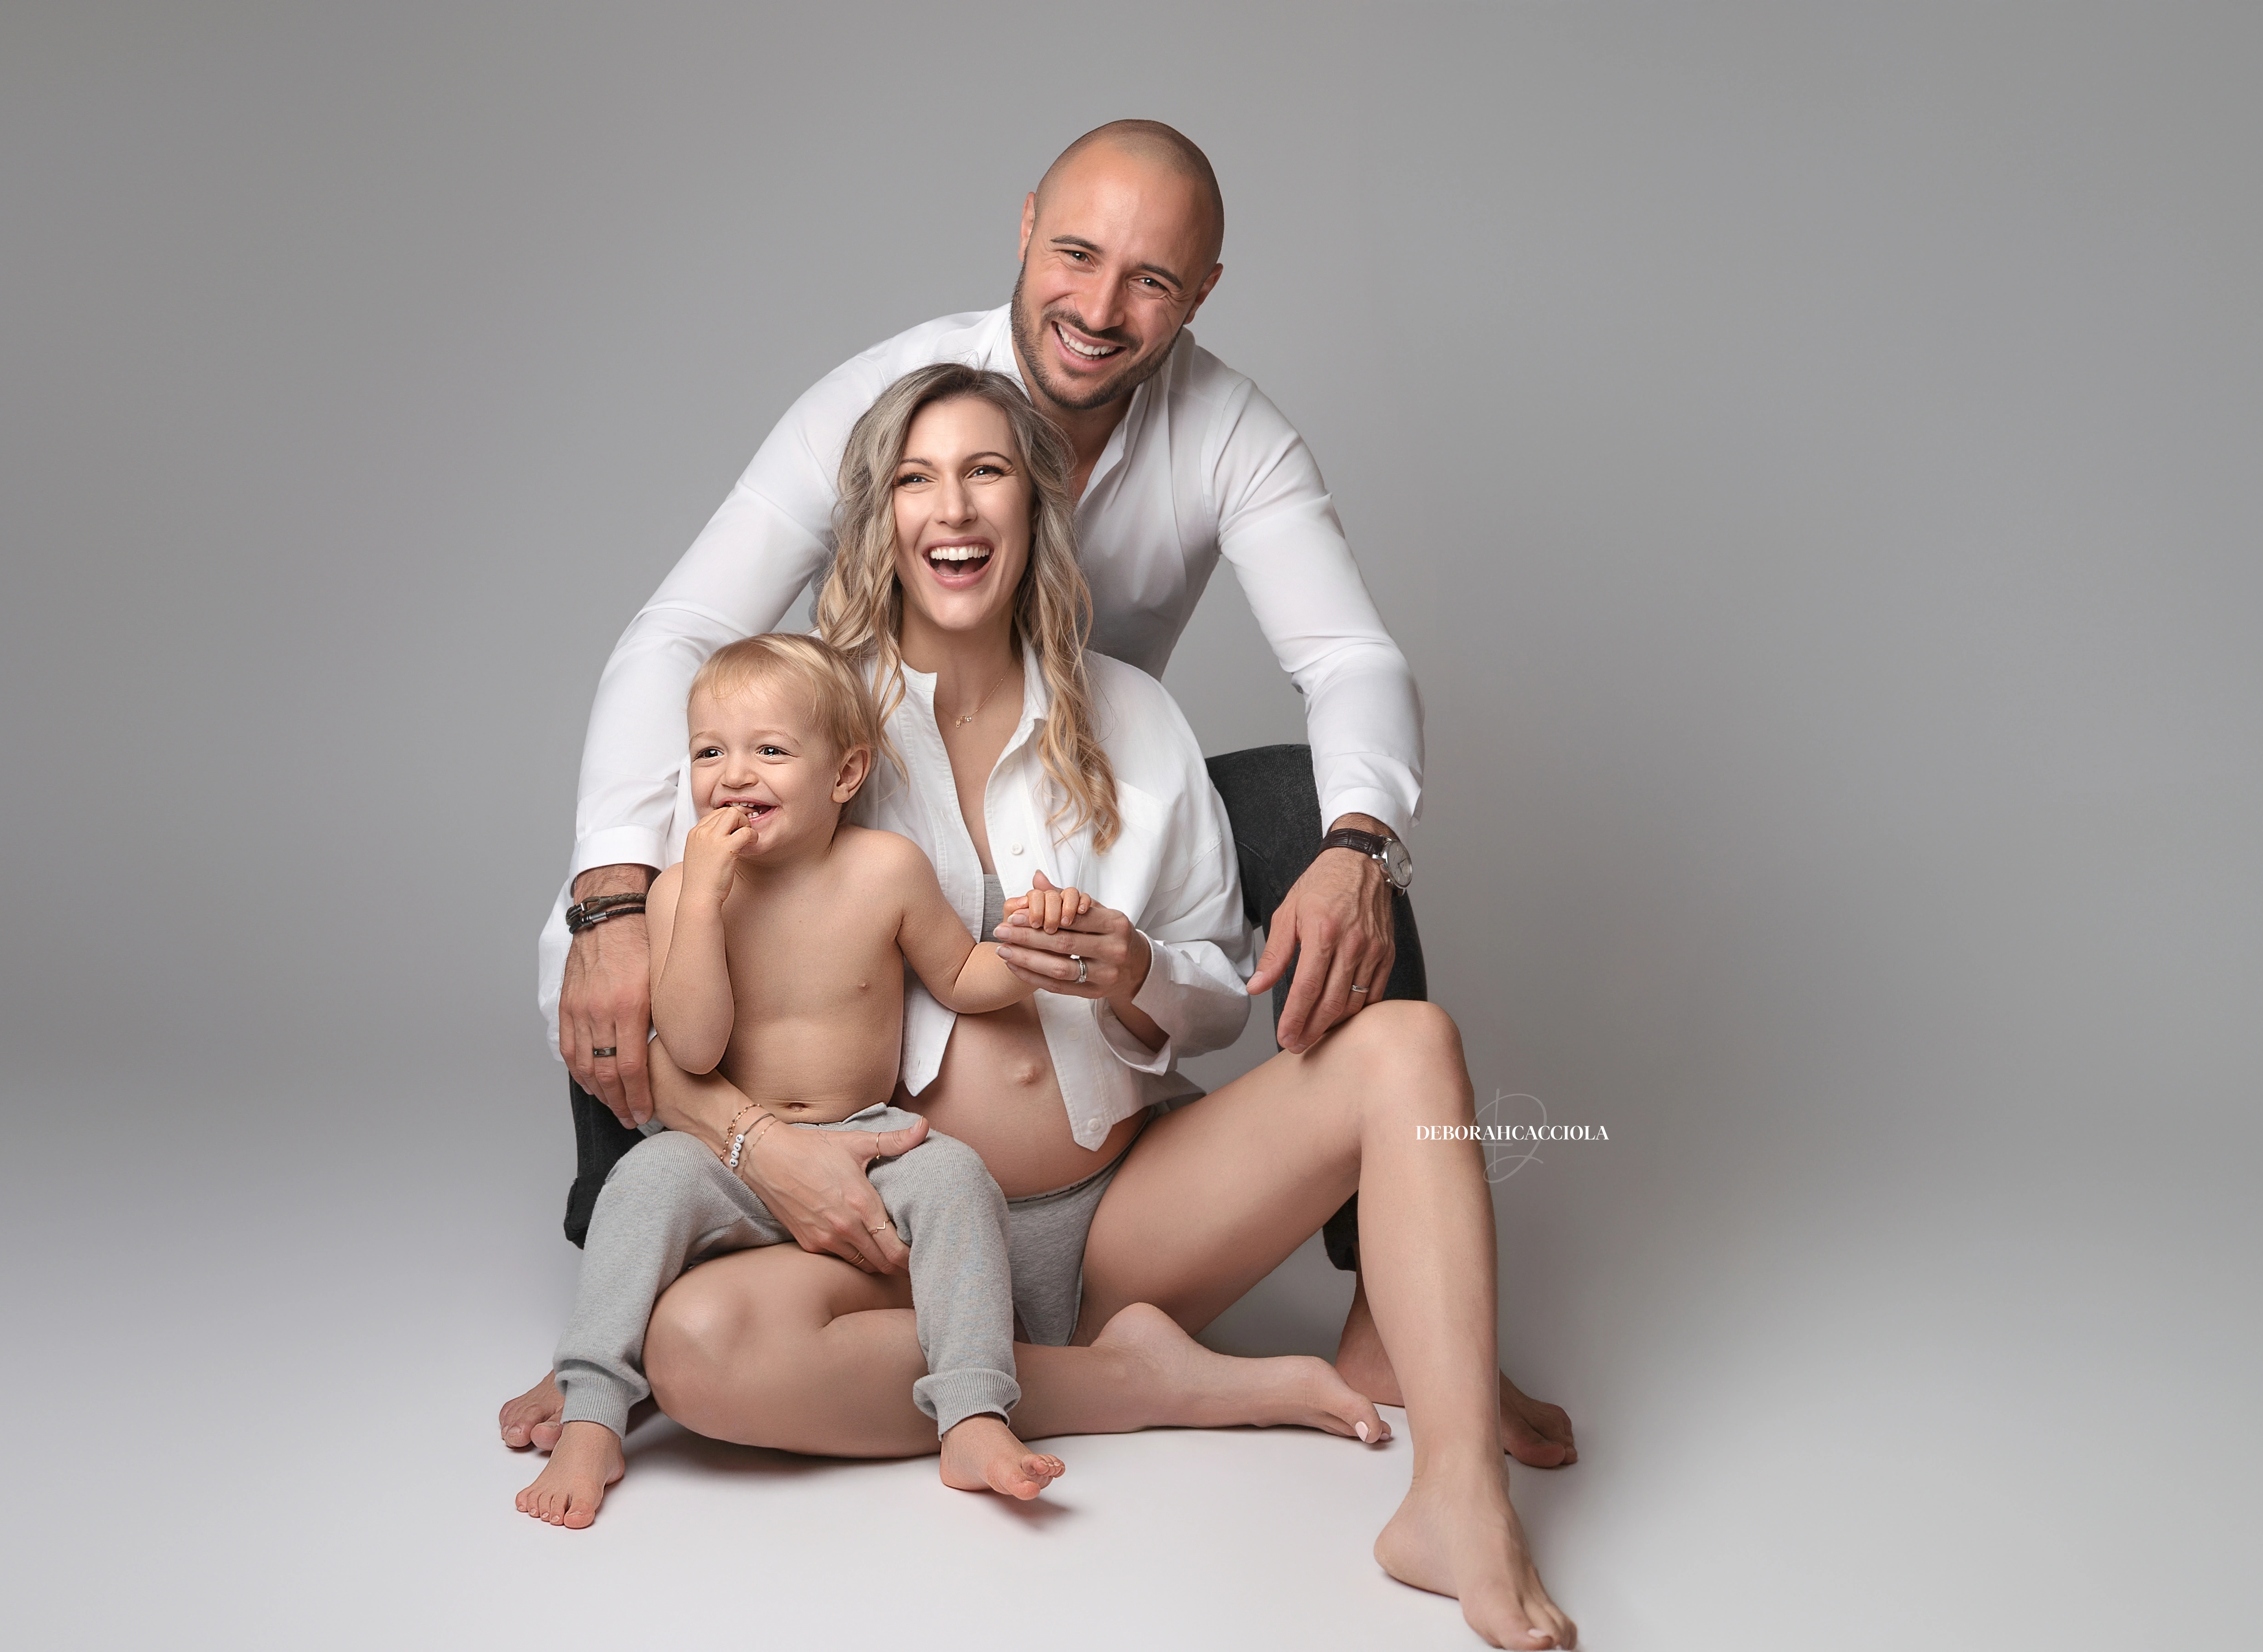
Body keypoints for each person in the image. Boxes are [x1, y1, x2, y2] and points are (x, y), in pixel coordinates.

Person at [531, 116, 1576, 1463]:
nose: (1097, 305)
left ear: (1199, 295)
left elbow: (1349, 660)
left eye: (1151, 278)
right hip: (887, 782)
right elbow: (679, 639)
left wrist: (1359, 847)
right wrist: (615, 905)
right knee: (653, 903)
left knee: (1330, 828)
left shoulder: (1226, 435)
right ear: (1023, 229)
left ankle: (1407, 1304)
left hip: (1094, 778)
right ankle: (605, 1337)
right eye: (1075, 254)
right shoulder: (884, 405)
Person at [518, 634, 1105, 1527]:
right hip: (725, 1158)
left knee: (955, 1178)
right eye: (709, 751)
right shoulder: (681, 889)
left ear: (844, 773)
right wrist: (701, 904)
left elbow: (961, 979)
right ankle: (594, 1408)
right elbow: (691, 1042)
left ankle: (972, 1411)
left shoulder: (885, 872)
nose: (732, 773)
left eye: (769, 749)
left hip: (863, 1138)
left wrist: (1031, 957)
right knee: (642, 1181)